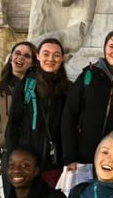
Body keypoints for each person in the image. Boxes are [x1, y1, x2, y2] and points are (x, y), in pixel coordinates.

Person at [61, 29, 113, 181]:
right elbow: (69, 115)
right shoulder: (88, 76)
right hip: (84, 159)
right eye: (112, 46)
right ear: (105, 49)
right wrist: (70, 156)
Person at [7, 38, 69, 187]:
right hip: (25, 160)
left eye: (56, 55)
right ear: (38, 56)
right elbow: (14, 122)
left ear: (62, 58)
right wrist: (13, 155)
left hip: (53, 162)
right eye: (46, 54)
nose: (50, 59)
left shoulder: (67, 89)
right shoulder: (26, 85)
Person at [0, 41, 36, 175]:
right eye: (17, 53)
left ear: (32, 63)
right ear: (10, 58)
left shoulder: (38, 87)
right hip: (9, 153)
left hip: (33, 152)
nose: (20, 58)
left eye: (27, 56)